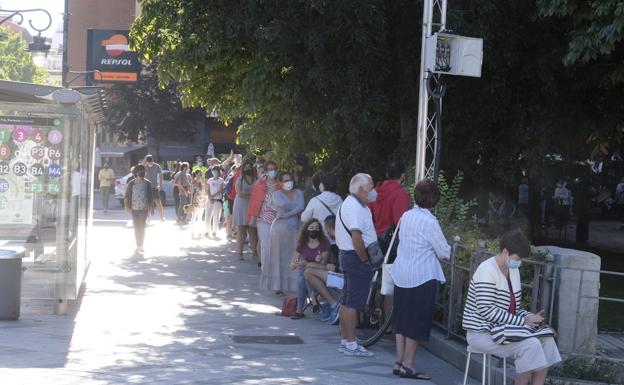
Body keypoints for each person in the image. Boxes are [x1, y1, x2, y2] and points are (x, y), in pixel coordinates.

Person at [462, 230, 561, 385]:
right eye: (518, 258)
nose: (519, 261)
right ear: (505, 252)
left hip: (502, 328)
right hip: (481, 332)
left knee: (547, 340)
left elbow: (513, 309)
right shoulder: (486, 270)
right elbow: (486, 311)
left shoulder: (513, 270)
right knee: (530, 345)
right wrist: (523, 320)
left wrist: (532, 318)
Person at [388, 179, 450, 380]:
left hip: (401, 274)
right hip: (421, 276)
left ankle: (398, 361)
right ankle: (409, 365)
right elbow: (444, 252)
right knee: (416, 322)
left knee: (401, 319)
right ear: (433, 199)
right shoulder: (430, 221)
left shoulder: (406, 216)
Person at [335, 173, 378, 357]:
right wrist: (364, 260)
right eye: (371, 187)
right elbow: (356, 238)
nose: (374, 191)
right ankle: (351, 344)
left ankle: (346, 341)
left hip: (349, 257)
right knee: (353, 303)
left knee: (346, 301)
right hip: (355, 258)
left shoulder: (354, 204)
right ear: (362, 189)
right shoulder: (354, 207)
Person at [260, 171, 304, 293]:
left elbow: (300, 207)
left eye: (290, 179)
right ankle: (279, 285)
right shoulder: (276, 194)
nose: (288, 182)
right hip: (279, 228)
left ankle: (292, 286)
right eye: (285, 180)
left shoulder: (299, 192)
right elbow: (286, 205)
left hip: (295, 228)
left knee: (293, 256)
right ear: (280, 182)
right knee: (278, 256)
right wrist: (291, 210)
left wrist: (286, 214)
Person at [304, 215, 342, 324]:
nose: (326, 231)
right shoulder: (337, 242)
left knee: (308, 272)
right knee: (308, 270)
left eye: (326, 228)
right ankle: (331, 305)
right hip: (339, 276)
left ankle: (334, 305)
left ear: (329, 227)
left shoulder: (340, 241)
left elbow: (335, 267)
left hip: (344, 279)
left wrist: (327, 266)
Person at [289, 218, 330, 319]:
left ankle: (300, 310)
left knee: (303, 275)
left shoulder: (324, 243)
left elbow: (324, 263)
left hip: (318, 274)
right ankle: (313, 300)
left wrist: (320, 259)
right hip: (305, 275)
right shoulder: (302, 244)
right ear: (306, 229)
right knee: (302, 278)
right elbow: (292, 264)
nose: (314, 230)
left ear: (319, 230)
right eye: (311, 228)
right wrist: (295, 264)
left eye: (316, 228)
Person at [247, 161, 281, 268]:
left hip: (278, 217)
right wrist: (252, 217)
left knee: (275, 244)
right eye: (270, 169)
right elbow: (254, 201)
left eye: (274, 168)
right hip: (262, 217)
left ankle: (273, 267)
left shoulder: (280, 185)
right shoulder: (259, 184)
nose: (272, 171)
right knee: (265, 243)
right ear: (265, 171)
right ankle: (265, 268)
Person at [369, 161, 410, 237]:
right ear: (403, 176)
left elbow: (368, 215)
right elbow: (401, 224)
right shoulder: (401, 194)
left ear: (387, 174)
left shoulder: (376, 191)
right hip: (392, 242)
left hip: (377, 239)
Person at [300, 174, 343, 240]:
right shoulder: (339, 199)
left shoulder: (315, 200)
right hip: (337, 237)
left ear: (323, 185)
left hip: (321, 240)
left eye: (321, 182)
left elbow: (304, 218)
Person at [124, 164, 153, 255]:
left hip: (144, 209)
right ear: (136, 173)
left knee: (142, 227)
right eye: (140, 172)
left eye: (143, 171)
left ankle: (141, 245)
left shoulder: (148, 183)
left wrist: (150, 211)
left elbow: (150, 198)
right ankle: (138, 245)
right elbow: (127, 196)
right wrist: (126, 206)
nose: (142, 173)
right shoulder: (131, 183)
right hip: (134, 209)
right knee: (136, 228)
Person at [233, 159, 258, 261]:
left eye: (249, 167)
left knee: (253, 230)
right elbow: (239, 193)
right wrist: (252, 194)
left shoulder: (257, 179)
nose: (248, 169)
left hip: (252, 206)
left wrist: (247, 193)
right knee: (241, 229)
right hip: (240, 205)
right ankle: (239, 253)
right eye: (246, 167)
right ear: (243, 169)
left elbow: (258, 193)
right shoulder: (240, 179)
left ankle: (255, 253)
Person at [205, 165, 225, 239]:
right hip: (209, 200)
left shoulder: (221, 180)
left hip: (217, 200)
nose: (214, 172)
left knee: (216, 216)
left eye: (216, 171)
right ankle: (207, 231)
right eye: (213, 171)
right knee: (208, 215)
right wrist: (210, 198)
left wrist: (213, 196)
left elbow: (220, 190)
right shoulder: (210, 180)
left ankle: (215, 231)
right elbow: (208, 189)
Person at [143, 155, 165, 221]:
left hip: (154, 187)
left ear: (152, 160)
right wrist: (145, 159)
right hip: (147, 187)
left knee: (158, 203)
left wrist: (160, 185)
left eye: (149, 159)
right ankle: (148, 218)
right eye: (148, 160)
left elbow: (161, 175)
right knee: (147, 203)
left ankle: (161, 218)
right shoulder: (145, 166)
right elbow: (140, 167)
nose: (149, 161)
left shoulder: (156, 166)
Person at [223, 165, 239, 240]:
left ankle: (233, 233)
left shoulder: (241, 178)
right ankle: (229, 234)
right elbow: (226, 189)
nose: (236, 171)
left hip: (236, 199)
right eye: (235, 170)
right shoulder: (231, 178)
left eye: (237, 170)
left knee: (233, 218)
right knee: (229, 218)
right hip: (230, 199)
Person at [190, 169, 206, 239]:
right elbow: (191, 193)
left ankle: (200, 232)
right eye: (198, 174)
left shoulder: (203, 182)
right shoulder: (193, 182)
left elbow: (205, 190)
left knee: (200, 218)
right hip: (195, 202)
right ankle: (192, 232)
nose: (199, 176)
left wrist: (202, 182)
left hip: (202, 202)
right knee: (193, 217)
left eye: (200, 174)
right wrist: (191, 203)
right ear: (195, 175)